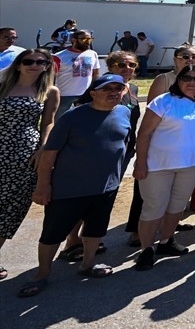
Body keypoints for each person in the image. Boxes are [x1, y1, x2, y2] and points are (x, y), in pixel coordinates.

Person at [19, 73, 130, 297]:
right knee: (53, 233)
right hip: (68, 188)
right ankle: (41, 273)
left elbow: (124, 144)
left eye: (119, 89)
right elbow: (49, 154)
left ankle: (87, 265)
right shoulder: (72, 117)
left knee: (95, 230)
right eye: (108, 88)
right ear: (93, 93)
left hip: (106, 187)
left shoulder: (125, 112)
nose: (114, 93)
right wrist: (43, 185)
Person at [131, 67, 195, 269]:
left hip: (190, 164)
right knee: (153, 208)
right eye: (186, 77)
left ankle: (167, 241)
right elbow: (144, 134)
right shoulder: (163, 101)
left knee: (177, 206)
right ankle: (146, 249)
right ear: (178, 79)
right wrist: (140, 162)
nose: (191, 82)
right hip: (157, 165)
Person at [0, 48, 59, 280]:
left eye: (40, 62)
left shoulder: (49, 91)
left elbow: (48, 123)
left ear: (47, 66)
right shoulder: (3, 86)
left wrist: (43, 148)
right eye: (28, 61)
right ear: (18, 64)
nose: (34, 65)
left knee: (9, 212)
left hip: (26, 156)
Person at [52, 30, 100, 116]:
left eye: (90, 39)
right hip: (63, 95)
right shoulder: (59, 56)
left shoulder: (93, 54)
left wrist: (93, 90)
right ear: (74, 40)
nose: (88, 42)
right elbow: (51, 76)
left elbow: (95, 73)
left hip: (85, 95)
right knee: (59, 121)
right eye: (84, 39)